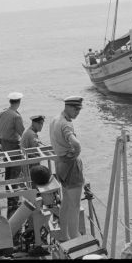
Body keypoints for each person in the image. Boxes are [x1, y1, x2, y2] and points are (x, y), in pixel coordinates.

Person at [49, 96, 84, 242]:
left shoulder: (55, 119)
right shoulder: (66, 124)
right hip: (70, 166)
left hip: (60, 165)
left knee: (65, 203)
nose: (77, 112)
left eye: (79, 110)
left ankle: (64, 235)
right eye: (76, 109)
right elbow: (76, 144)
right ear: (68, 107)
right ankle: (75, 239)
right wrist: (75, 153)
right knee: (75, 205)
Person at [0, 92, 25, 216]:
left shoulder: (2, 113)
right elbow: (22, 133)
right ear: (18, 102)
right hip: (13, 145)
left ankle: (9, 198)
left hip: (4, 145)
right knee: (15, 171)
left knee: (8, 172)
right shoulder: (16, 116)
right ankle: (14, 200)